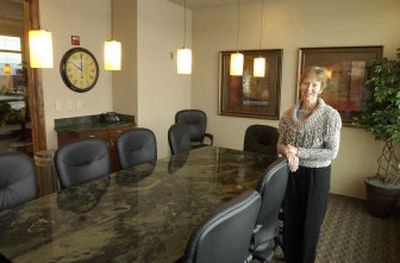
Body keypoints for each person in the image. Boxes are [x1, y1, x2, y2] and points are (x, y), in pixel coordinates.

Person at [277, 66, 342, 263]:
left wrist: (298, 151)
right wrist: (287, 150)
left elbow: (332, 152)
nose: (309, 88)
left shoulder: (330, 116)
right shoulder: (288, 115)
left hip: (317, 177)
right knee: (291, 223)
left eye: (315, 85)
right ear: (300, 85)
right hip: (291, 173)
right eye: (306, 83)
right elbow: (279, 144)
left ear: (321, 88)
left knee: (310, 227)